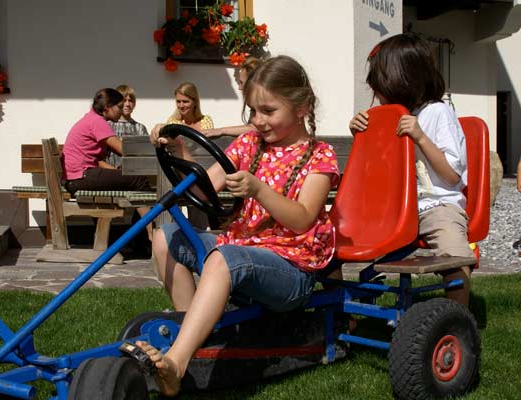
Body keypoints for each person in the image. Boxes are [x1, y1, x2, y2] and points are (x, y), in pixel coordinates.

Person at [137, 55, 340, 397]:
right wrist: (182, 151)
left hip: (292, 271)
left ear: (302, 106)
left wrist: (259, 189)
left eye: (268, 111)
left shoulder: (319, 156)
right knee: (164, 236)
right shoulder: (249, 145)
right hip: (242, 255)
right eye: (252, 112)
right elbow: (202, 189)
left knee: (224, 257)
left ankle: (177, 363)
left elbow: (304, 217)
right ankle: (196, 336)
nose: (258, 121)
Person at [349, 33, 473, 307]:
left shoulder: (437, 113)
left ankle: (458, 320)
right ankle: (349, 310)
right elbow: (375, 166)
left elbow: (452, 175)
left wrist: (421, 137)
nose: (376, 96)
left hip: (436, 206)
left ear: (403, 80)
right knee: (337, 242)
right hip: (396, 210)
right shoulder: (390, 117)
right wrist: (360, 132)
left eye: (380, 89)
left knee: (456, 258)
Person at [61, 88, 153, 241]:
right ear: (107, 107)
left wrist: (115, 170)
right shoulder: (97, 122)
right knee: (138, 180)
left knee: (135, 179)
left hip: (76, 177)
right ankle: (151, 232)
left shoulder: (91, 118)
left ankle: (143, 236)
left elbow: (96, 157)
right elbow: (124, 150)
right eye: (119, 106)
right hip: (81, 177)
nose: (121, 110)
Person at [202, 56, 262, 139]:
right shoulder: (254, 101)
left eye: (241, 82)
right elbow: (251, 127)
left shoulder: (261, 102)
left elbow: (256, 129)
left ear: (252, 83)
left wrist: (221, 131)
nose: (239, 88)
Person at [106, 84, 149, 169]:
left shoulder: (140, 128)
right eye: (124, 100)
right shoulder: (108, 125)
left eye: (130, 100)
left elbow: (145, 153)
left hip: (134, 173)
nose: (127, 104)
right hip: (110, 173)